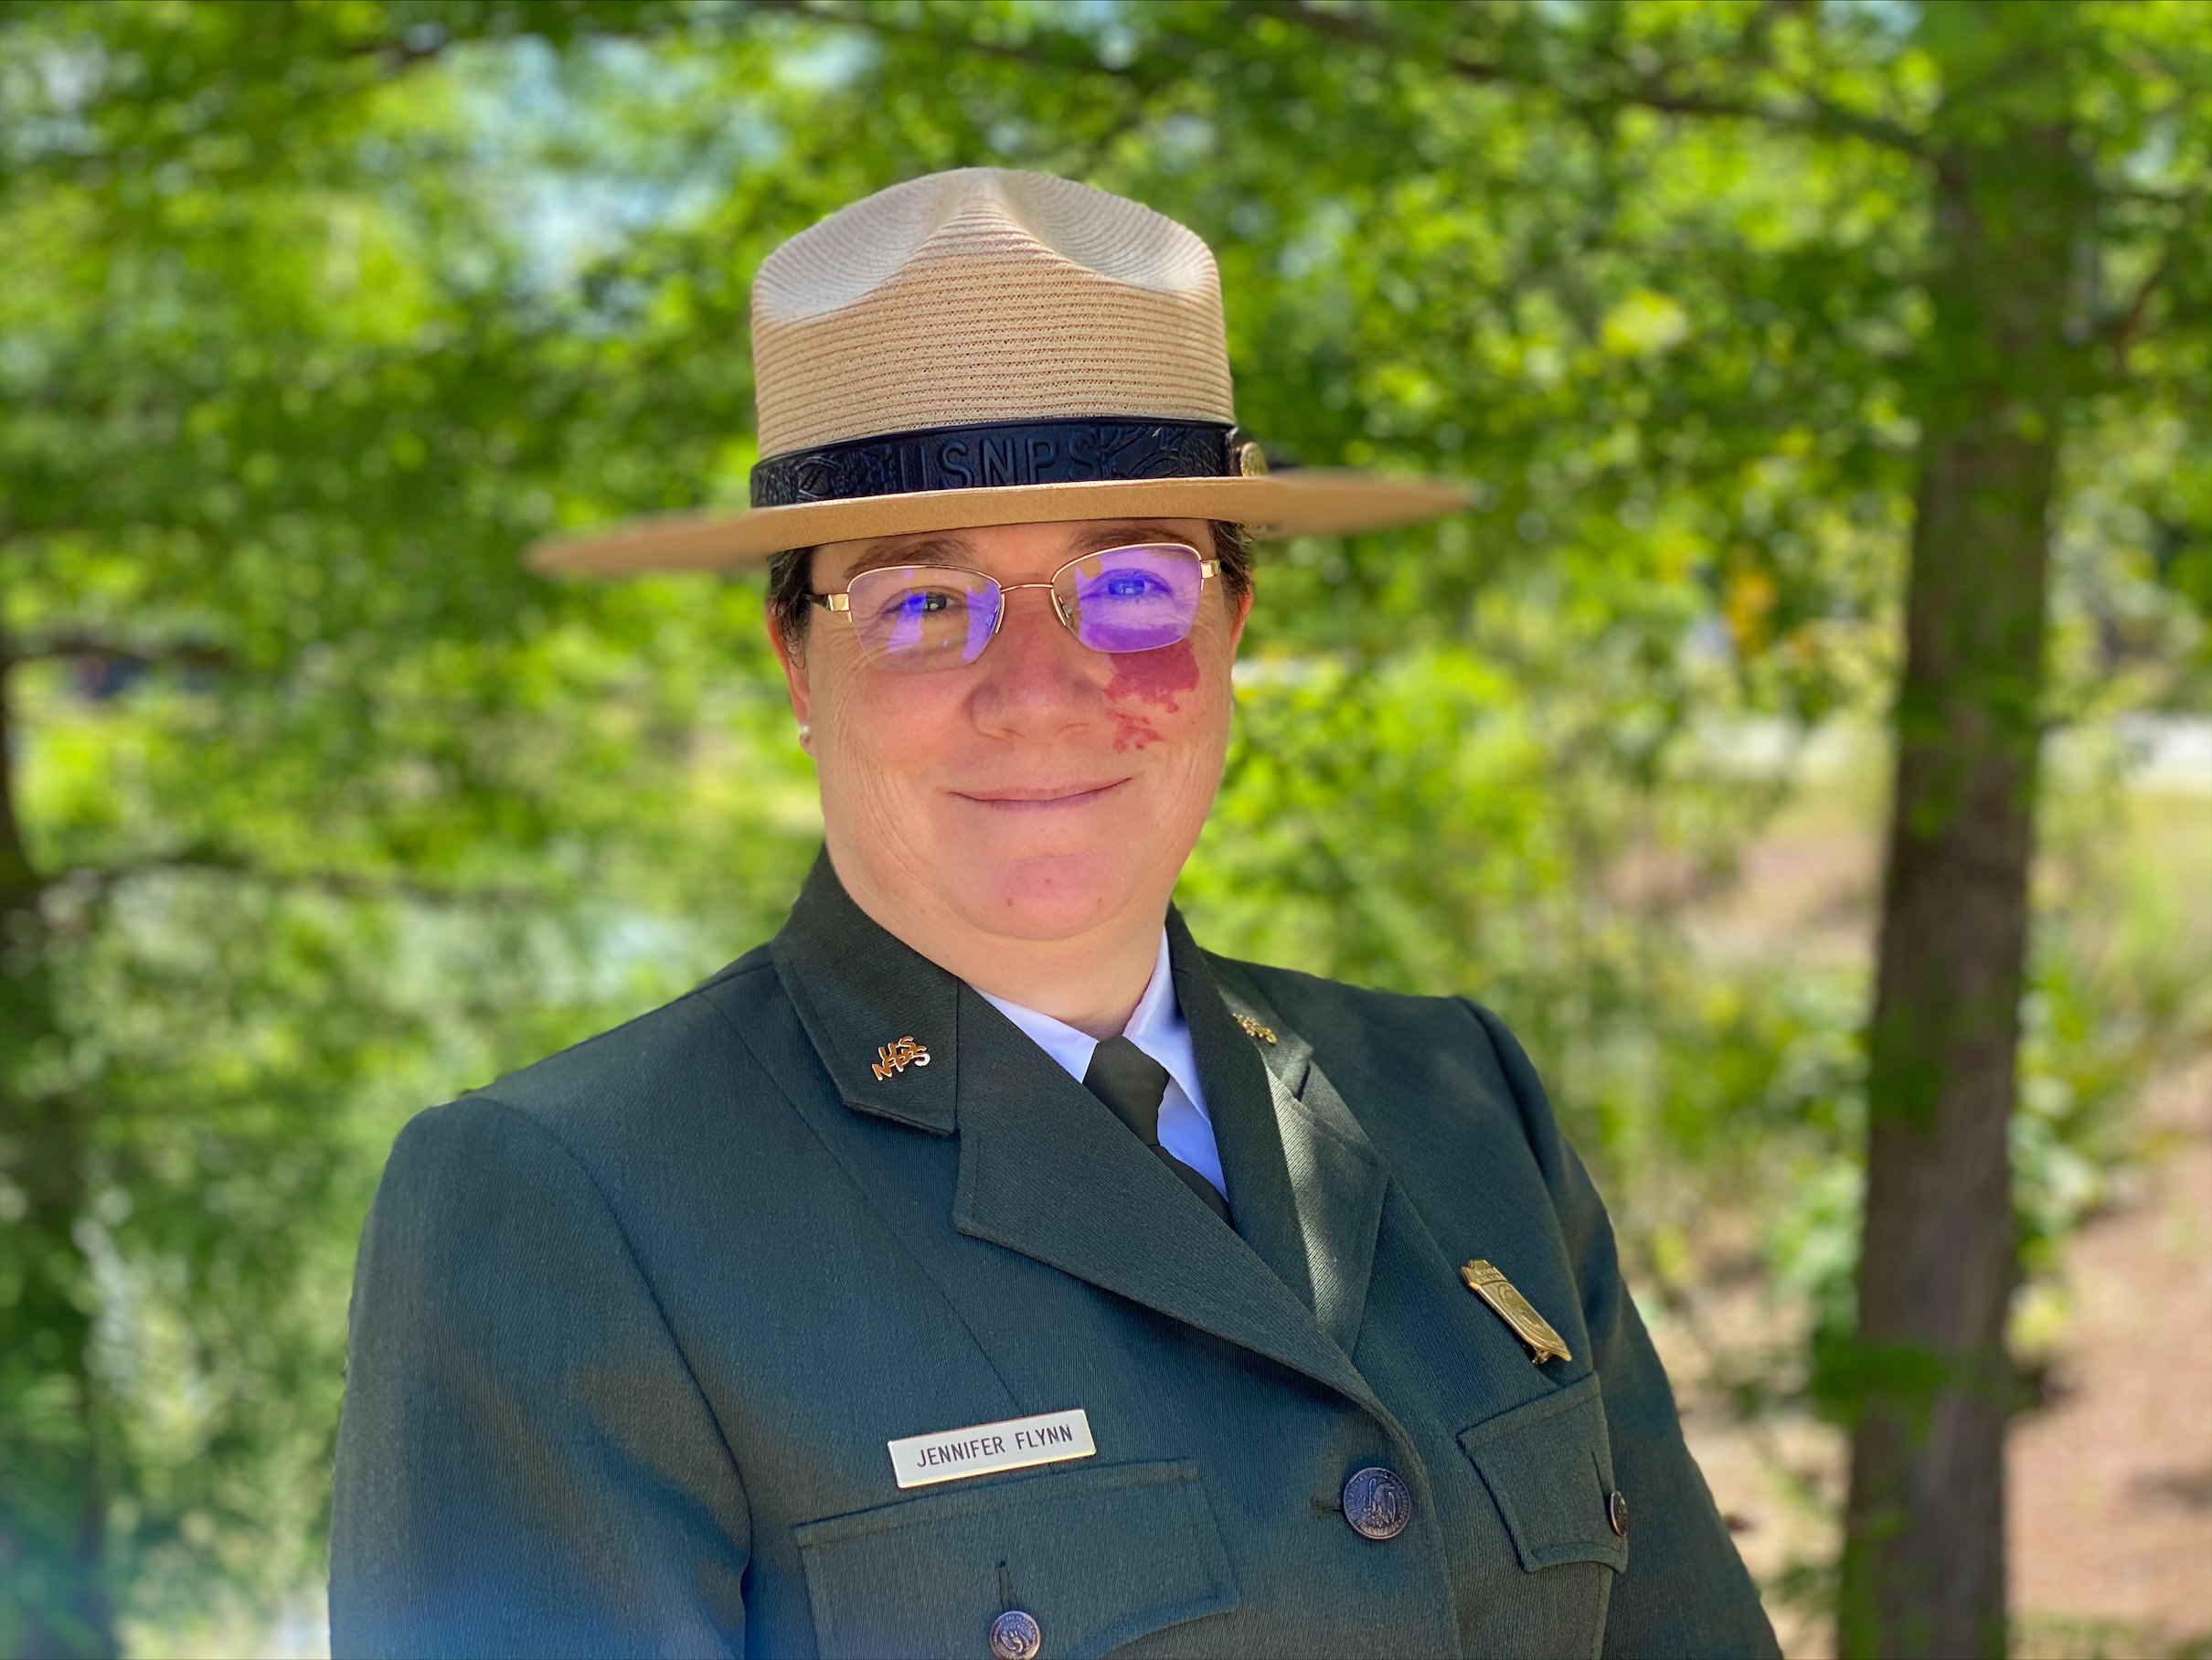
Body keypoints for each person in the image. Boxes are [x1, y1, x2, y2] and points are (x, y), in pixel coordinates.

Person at [331, 168, 1778, 1660]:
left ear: (1234, 629)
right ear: (791, 663)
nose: (1038, 690)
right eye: (919, 604)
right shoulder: (570, 1205)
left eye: (1132, 585)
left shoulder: (1458, 1102)